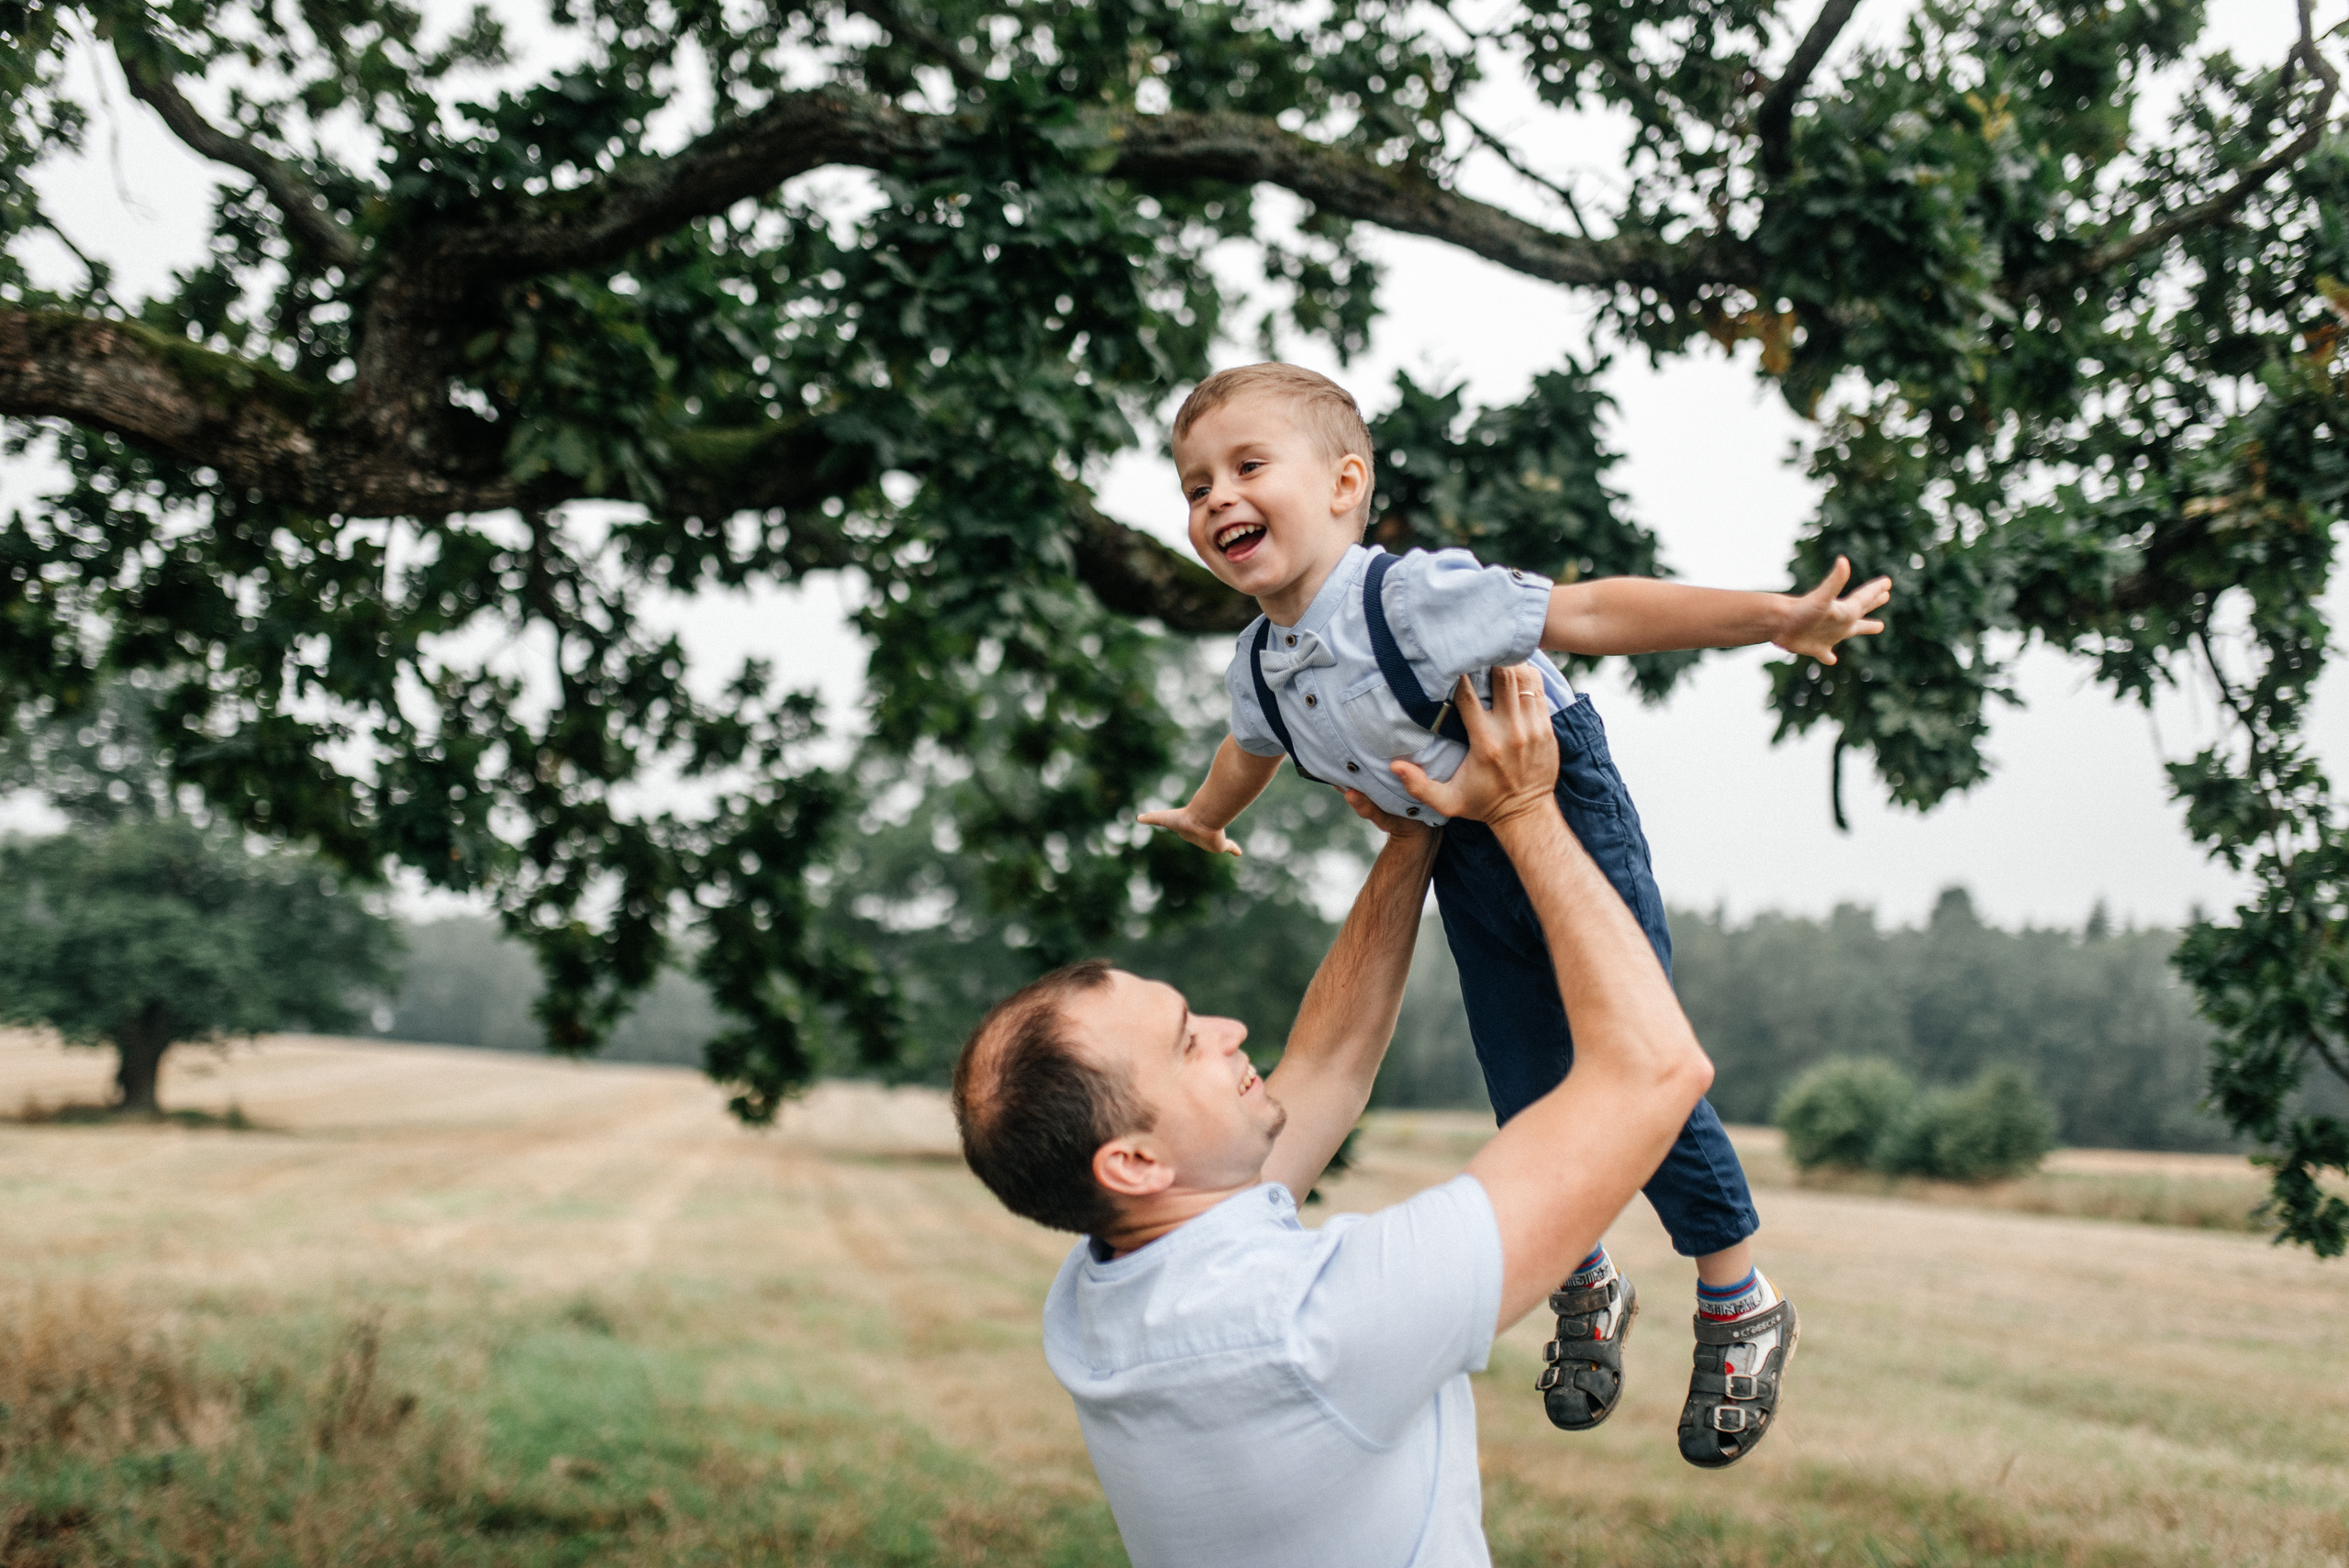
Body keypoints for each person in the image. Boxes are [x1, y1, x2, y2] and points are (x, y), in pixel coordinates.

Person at [1136, 362, 1876, 1462]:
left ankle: (1738, 1296)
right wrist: (1203, 814)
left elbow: (1587, 609)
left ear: (1345, 484)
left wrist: (1771, 617)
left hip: (1556, 798)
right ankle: (1583, 1274)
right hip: (1459, 845)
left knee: (1627, 1058)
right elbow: (1244, 752)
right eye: (1195, 485)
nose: (1215, 500)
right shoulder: (1263, 662)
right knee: (1520, 1067)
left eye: (1248, 466)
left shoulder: (1411, 596)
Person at [952, 664, 1742, 1568]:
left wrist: (1411, 840)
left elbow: (1324, 1067)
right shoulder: (1314, 1322)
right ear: (1131, 1162)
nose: (1230, 1029)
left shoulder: (1106, 1293)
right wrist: (1524, 808)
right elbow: (1655, 1069)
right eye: (1185, 1043)